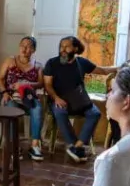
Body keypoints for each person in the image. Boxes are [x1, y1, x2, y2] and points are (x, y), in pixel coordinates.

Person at [43, 35, 115, 163]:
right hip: (59, 99)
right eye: (61, 47)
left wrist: (121, 67)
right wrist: (56, 98)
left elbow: (102, 71)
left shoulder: (82, 63)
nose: (63, 50)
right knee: (60, 112)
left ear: (75, 49)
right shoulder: (52, 63)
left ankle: (77, 147)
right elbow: (47, 85)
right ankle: (74, 145)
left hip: (78, 101)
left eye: (67, 47)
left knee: (95, 113)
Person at [0, 35, 46, 161]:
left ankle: (35, 146)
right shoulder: (10, 61)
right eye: (22, 46)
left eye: (29, 47)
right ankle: (14, 145)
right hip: (11, 97)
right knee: (11, 110)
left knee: (37, 109)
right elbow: (0, 79)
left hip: (28, 99)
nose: (25, 49)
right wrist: (4, 92)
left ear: (33, 50)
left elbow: (41, 84)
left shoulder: (38, 66)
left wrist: (27, 84)